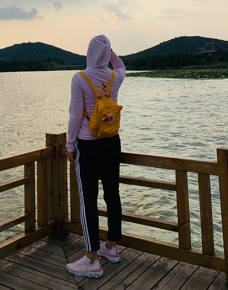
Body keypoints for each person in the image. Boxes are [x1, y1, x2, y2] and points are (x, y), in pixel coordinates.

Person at [65, 35, 126, 279]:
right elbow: (121, 65)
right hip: (112, 143)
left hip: (88, 146)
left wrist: (69, 145)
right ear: (107, 54)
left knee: (88, 200)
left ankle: (92, 259)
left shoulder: (80, 78)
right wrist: (109, 52)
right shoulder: (115, 77)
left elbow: (75, 115)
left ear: (88, 53)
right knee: (112, 194)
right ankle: (111, 246)